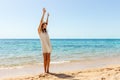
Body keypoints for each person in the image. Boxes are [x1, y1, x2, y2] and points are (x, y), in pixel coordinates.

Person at [38, 8, 52, 73]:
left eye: (46, 25)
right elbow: (41, 22)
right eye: (44, 25)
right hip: (44, 47)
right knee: (45, 59)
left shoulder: (46, 32)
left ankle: (48, 70)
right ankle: (45, 71)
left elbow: (47, 22)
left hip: (48, 46)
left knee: (48, 59)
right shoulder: (40, 32)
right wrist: (43, 13)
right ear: (42, 26)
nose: (45, 26)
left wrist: (48, 17)